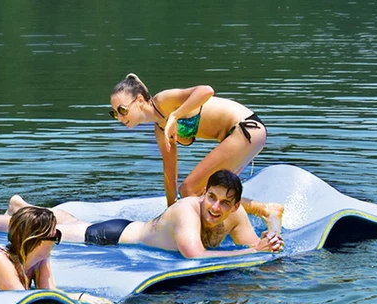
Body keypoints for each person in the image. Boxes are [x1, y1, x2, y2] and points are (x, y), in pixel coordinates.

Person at [0, 170, 284, 260]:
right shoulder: (187, 210)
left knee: (62, 221)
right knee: (43, 230)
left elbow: (252, 247)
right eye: (211, 198)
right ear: (203, 194)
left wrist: (265, 243)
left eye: (224, 203)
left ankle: (22, 205)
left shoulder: (233, 216)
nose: (215, 207)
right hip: (112, 236)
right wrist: (253, 251)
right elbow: (196, 255)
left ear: (236, 205)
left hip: (122, 232)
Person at [108, 72, 283, 230]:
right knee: (207, 192)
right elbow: (170, 175)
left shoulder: (163, 101)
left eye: (122, 110)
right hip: (242, 136)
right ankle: (260, 213)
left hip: (246, 128)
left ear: (139, 100)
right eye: (115, 113)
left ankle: (265, 210)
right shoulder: (160, 130)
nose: (120, 118)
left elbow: (206, 91)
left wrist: (175, 116)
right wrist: (170, 213)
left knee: (189, 189)